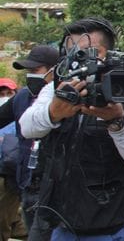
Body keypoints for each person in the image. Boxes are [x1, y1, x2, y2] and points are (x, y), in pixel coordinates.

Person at [19, 17, 124, 239]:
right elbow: (27, 128)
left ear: (109, 54)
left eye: (90, 52)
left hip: (111, 227)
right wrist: (54, 112)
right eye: (74, 54)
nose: (80, 61)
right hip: (57, 223)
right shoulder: (57, 87)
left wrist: (118, 122)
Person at [0, 45, 60, 240]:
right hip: (27, 184)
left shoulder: (67, 99)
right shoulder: (22, 97)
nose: (30, 76)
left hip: (55, 188)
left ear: (55, 70)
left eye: (36, 71)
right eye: (28, 71)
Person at [0, 78, 24, 241]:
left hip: (11, 174)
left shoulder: (21, 114)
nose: (5, 96)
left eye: (9, 93)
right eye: (1, 94)